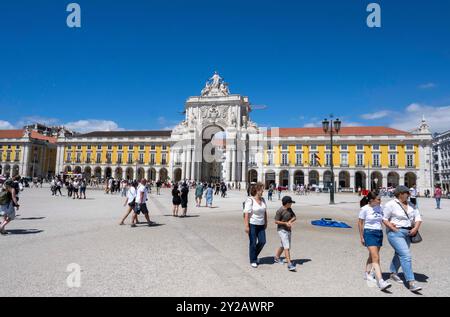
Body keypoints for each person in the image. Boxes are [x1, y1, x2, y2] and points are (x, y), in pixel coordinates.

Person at [382, 185, 423, 292]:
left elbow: (418, 217)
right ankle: (411, 282)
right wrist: (392, 228)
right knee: (405, 255)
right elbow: (384, 218)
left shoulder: (411, 205)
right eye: (407, 193)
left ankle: (393, 273)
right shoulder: (391, 204)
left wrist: (416, 228)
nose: (409, 195)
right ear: (400, 194)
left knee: (399, 253)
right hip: (395, 233)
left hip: (409, 232)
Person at [358, 192, 392, 291]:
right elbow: (360, 223)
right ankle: (381, 281)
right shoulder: (364, 209)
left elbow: (384, 219)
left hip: (379, 233)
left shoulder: (380, 207)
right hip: (369, 233)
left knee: (372, 255)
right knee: (376, 257)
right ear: (371, 200)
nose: (380, 201)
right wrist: (361, 237)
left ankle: (367, 273)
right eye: (378, 199)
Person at [243, 183, 267, 268]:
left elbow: (265, 211)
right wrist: (246, 226)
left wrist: (266, 222)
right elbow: (246, 213)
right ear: (256, 190)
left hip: (261, 224)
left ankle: (254, 255)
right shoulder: (250, 200)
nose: (263, 191)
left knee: (262, 241)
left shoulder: (263, 200)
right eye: (261, 189)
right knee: (253, 243)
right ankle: (253, 260)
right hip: (252, 224)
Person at [274, 196, 297, 272]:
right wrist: (285, 223)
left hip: (288, 229)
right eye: (290, 203)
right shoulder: (280, 211)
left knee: (284, 245)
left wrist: (290, 222)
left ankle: (277, 257)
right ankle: (289, 264)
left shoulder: (289, 209)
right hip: (281, 230)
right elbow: (276, 221)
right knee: (286, 246)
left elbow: (294, 217)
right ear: (287, 203)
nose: (291, 204)